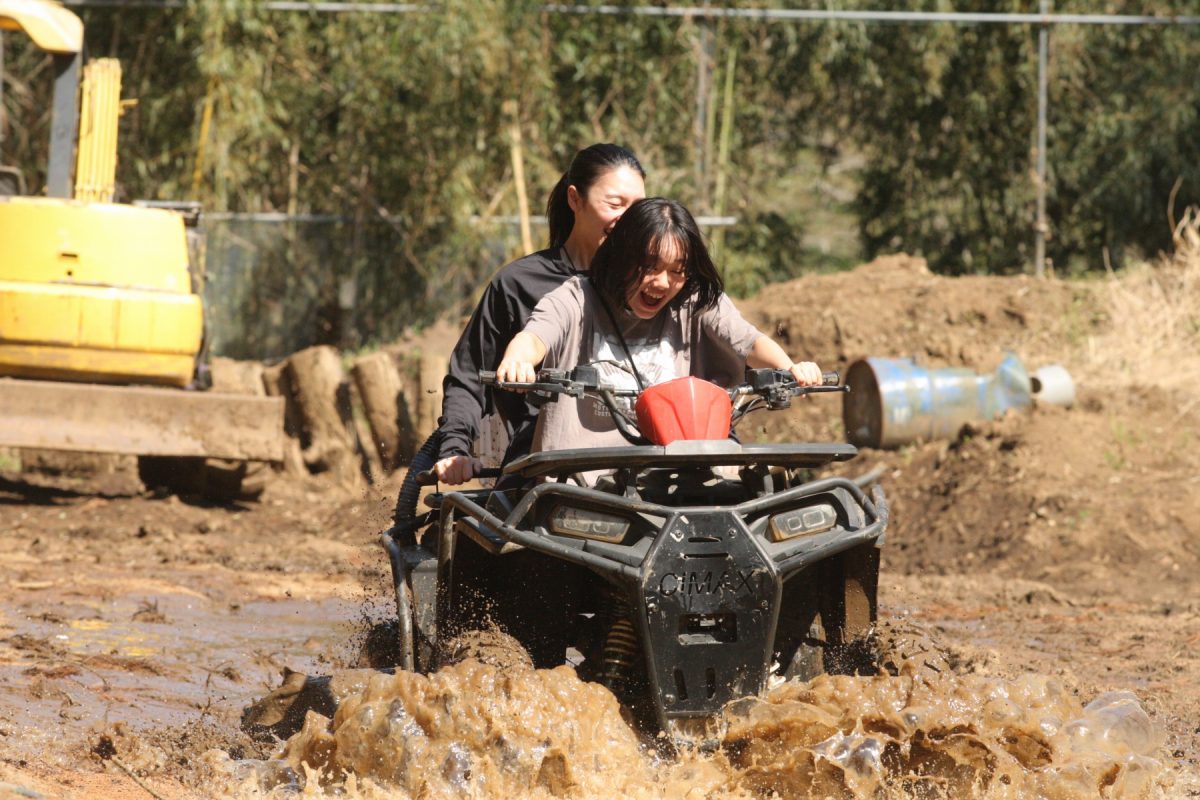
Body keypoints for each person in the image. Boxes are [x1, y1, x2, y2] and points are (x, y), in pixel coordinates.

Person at [495, 197, 823, 457]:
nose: (663, 283)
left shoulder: (695, 301)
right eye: (650, 266)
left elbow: (748, 341)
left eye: (678, 270)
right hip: (581, 482)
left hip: (673, 476)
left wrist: (790, 369)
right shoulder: (577, 297)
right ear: (622, 255)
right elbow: (536, 336)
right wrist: (518, 361)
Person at [432, 144, 646, 484]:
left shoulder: (653, 285)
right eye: (615, 204)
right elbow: (470, 376)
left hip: (644, 460)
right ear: (575, 199)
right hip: (546, 468)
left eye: (637, 208)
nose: (628, 219)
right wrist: (454, 448)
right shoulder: (519, 284)